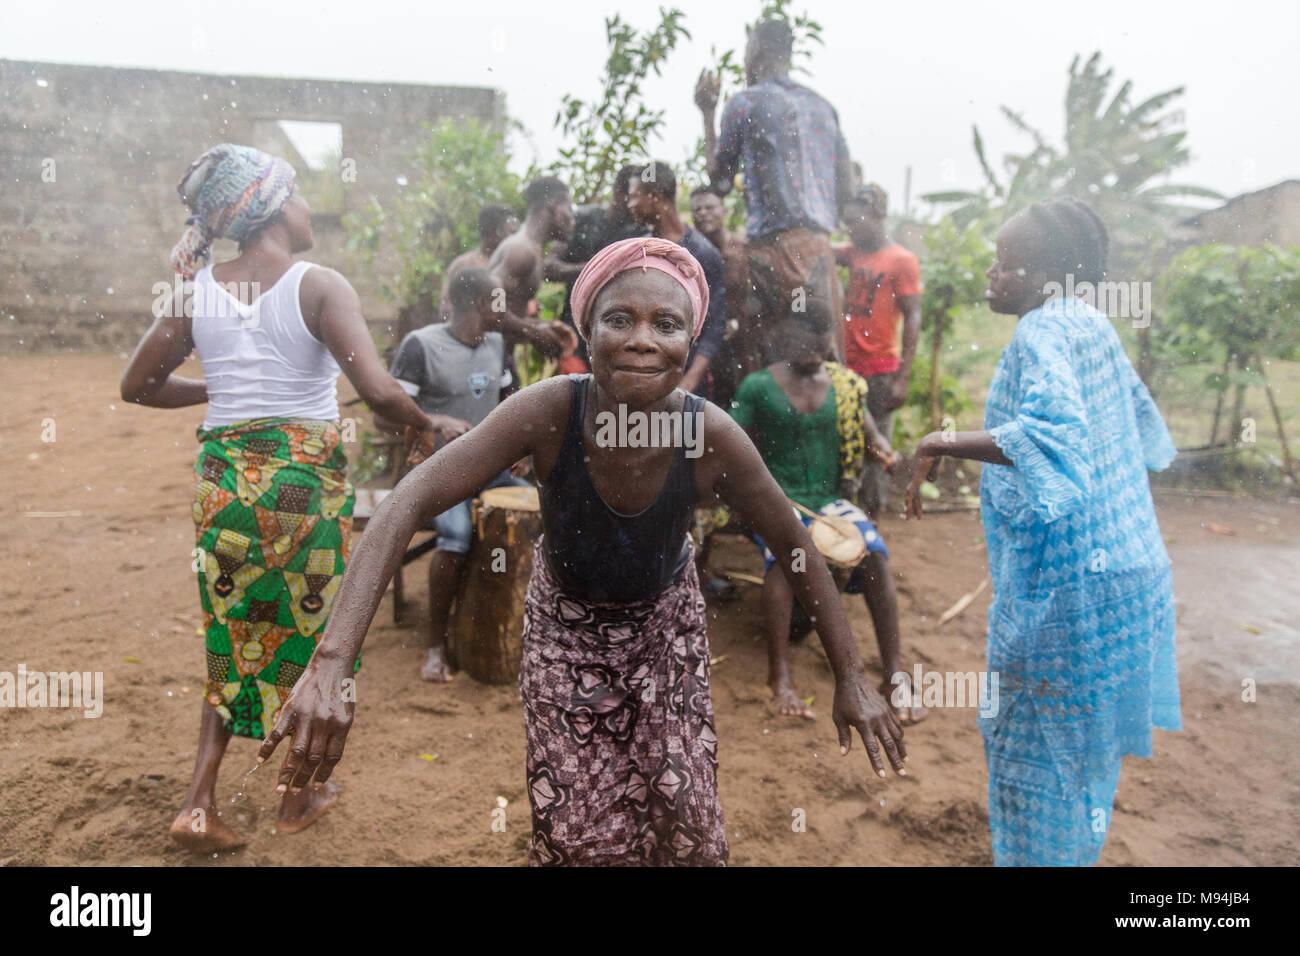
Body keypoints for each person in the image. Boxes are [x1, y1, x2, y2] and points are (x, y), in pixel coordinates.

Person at [257, 237, 908, 867]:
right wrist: (334, 659)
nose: (643, 339)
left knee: (684, 815)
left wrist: (851, 672)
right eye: (619, 319)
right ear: (585, 331)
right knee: (576, 829)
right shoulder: (549, 413)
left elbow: (795, 544)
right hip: (564, 635)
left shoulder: (708, 435)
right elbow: (406, 501)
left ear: (690, 340)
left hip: (665, 632)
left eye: (667, 324)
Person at [120, 144, 449, 853]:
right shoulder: (318, 284)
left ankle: (199, 801)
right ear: (270, 207)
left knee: (227, 638)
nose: (308, 208)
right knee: (313, 641)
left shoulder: (196, 290)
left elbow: (136, 386)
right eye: (298, 193)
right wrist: (429, 426)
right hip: (298, 493)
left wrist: (221, 389)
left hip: (224, 489)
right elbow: (382, 393)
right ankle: (297, 796)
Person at [904, 198, 1181, 866]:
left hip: (1074, 588)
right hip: (1130, 574)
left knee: (1033, 750)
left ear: (1050, 272)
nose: (992, 276)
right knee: (1081, 756)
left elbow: (1053, 436)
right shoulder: (1090, 322)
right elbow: (1143, 432)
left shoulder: (1042, 332)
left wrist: (940, 439)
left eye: (1006, 264)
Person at [731, 314, 924, 723]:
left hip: (830, 500)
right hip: (777, 500)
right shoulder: (758, 386)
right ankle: (779, 678)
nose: (818, 356)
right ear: (785, 340)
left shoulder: (845, 385)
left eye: (824, 347)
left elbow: (874, 439)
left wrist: (889, 457)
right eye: (809, 347)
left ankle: (893, 675)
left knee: (874, 554)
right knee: (787, 561)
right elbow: (732, 442)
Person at [383, 268, 529, 682]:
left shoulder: (499, 345)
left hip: (492, 471)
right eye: (499, 302)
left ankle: (521, 631)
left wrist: (521, 452)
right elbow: (388, 414)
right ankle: (435, 645)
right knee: (457, 537)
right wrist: (435, 421)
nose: (507, 311)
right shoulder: (421, 345)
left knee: (539, 516)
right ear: (482, 304)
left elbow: (511, 407)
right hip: (439, 474)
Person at [696, 17, 854, 367]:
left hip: (772, 253)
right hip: (817, 251)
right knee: (825, 365)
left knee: (766, 367)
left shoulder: (745, 104)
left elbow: (720, 183)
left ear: (753, 53)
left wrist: (708, 113)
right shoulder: (823, 107)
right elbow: (848, 193)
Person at [834, 185, 922, 518]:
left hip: (881, 369)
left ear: (877, 216)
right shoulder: (853, 251)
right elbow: (821, 249)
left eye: (856, 221)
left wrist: (903, 378)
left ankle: (871, 520)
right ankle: (845, 516)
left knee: (876, 449)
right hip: (848, 368)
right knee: (845, 443)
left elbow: (914, 316)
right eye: (847, 223)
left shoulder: (901, 260)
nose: (851, 229)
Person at [626, 161, 725, 397]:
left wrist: (689, 381)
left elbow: (714, 326)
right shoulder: (640, 246)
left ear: (655, 196)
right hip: (643, 370)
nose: (629, 205)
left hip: (684, 373)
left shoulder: (702, 254)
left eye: (634, 197)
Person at [544, 163, 649, 367]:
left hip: (618, 334)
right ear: (619, 193)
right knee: (574, 390)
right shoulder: (582, 219)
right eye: (634, 196)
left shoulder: (638, 232)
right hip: (576, 328)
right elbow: (548, 268)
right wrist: (598, 269)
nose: (637, 204)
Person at [486, 176, 580, 389]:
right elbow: (490, 308)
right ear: (554, 207)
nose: (572, 219)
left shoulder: (532, 250)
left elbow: (508, 311)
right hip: (486, 360)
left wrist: (543, 328)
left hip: (499, 358)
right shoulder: (521, 250)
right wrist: (533, 331)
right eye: (569, 208)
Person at [689, 185, 749, 411]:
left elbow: (756, 297)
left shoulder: (743, 250)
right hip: (701, 343)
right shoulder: (688, 253)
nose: (703, 213)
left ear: (723, 210)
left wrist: (738, 323)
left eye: (709, 207)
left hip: (740, 342)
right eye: (697, 209)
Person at [436, 204, 519, 321]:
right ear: (494, 232)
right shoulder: (465, 264)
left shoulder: (510, 265)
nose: (517, 239)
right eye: (512, 233)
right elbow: (445, 310)